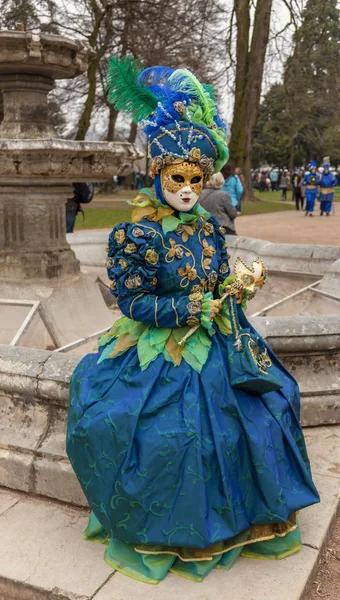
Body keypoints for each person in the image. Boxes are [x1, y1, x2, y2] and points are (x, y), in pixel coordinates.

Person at [67, 59, 319, 584]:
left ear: (205, 180)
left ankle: (247, 517)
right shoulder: (134, 235)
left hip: (218, 338)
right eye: (176, 178)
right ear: (157, 175)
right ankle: (171, 530)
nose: (185, 188)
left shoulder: (206, 227)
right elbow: (132, 303)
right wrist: (186, 308)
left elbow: (216, 277)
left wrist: (234, 291)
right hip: (160, 344)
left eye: (194, 179)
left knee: (267, 408)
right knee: (166, 435)